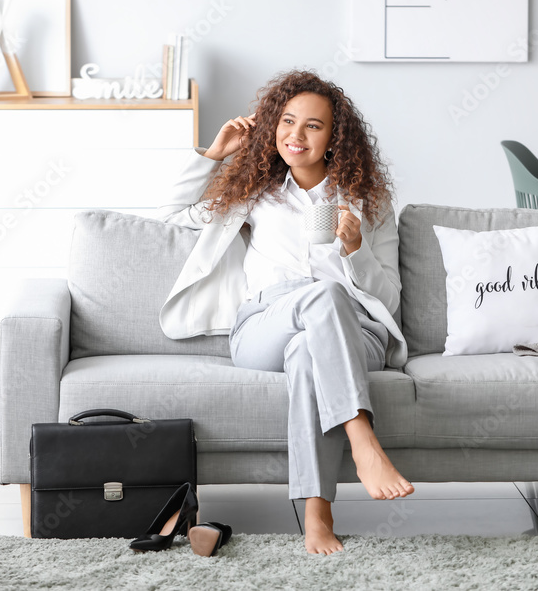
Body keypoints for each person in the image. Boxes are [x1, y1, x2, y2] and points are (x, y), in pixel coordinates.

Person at [156, 70, 413, 555]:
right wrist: (216, 154)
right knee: (319, 300)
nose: (296, 135)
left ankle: (317, 514)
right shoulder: (254, 191)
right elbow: (172, 216)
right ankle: (362, 439)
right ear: (272, 127)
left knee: (308, 349)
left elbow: (391, 301)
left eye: (313, 126)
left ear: (335, 137)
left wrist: (355, 250)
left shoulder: (369, 202)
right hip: (263, 326)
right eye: (288, 122)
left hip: (354, 330)